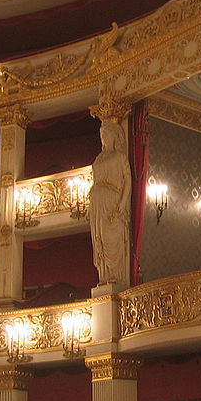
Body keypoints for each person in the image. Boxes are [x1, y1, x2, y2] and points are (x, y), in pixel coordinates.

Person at [88, 120, 132, 286]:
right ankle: (104, 276)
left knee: (111, 238)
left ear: (115, 136)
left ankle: (115, 276)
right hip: (97, 202)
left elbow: (127, 180)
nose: (104, 138)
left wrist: (122, 203)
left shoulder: (120, 157)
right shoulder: (99, 158)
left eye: (107, 134)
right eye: (102, 135)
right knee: (99, 239)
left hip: (112, 200)